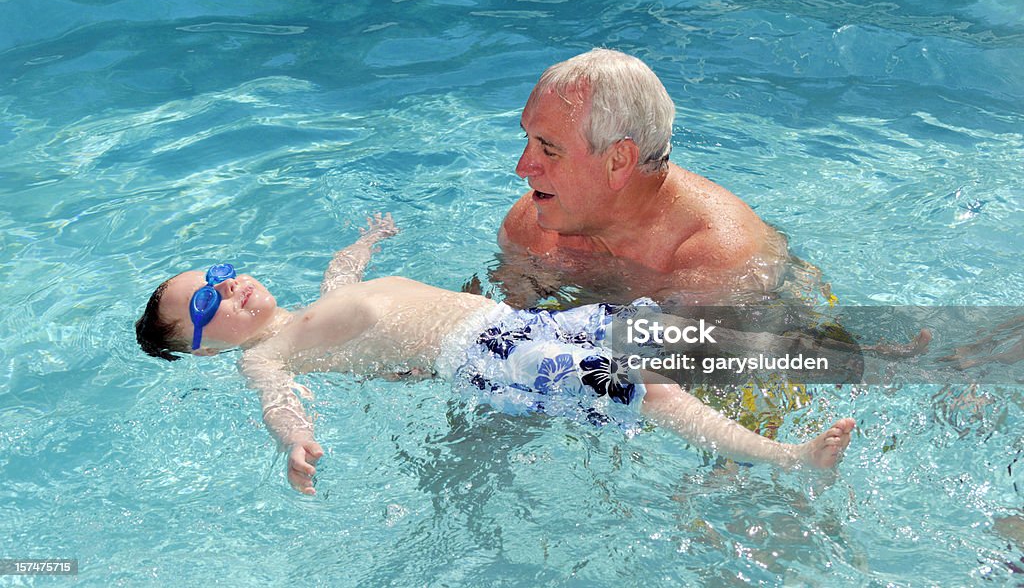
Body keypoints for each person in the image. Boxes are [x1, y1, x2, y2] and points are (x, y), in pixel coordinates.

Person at [135, 214, 855, 496]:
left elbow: (344, 274)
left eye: (221, 273)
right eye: (207, 304)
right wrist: (297, 444)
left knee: (657, 335)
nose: (229, 288)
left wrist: (364, 241)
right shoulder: (264, 356)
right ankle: (787, 458)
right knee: (644, 387)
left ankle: (776, 384)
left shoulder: (312, 304)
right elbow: (278, 405)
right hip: (485, 354)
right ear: (199, 349)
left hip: (511, 322)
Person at [497, 48, 796, 308]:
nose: (523, 167)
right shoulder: (533, 228)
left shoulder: (714, 263)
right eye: (528, 140)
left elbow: (686, 368)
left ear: (619, 161)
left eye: (548, 150)